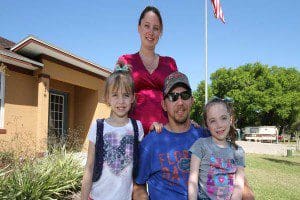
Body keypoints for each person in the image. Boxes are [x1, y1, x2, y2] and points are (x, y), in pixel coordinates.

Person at [134, 71, 210, 200]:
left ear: (192, 100)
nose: (180, 102)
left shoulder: (205, 137)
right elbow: (138, 186)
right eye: (173, 97)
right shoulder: (151, 142)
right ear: (164, 105)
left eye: (184, 95)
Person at [81, 68, 144, 200]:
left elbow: (142, 162)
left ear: (133, 97)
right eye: (115, 95)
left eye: (126, 95)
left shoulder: (137, 127)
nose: (121, 101)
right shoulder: (98, 127)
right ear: (107, 98)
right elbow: (89, 167)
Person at [116, 6, 177, 134]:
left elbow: (177, 98)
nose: (151, 31)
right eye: (146, 26)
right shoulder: (125, 60)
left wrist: (186, 122)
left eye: (156, 28)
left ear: (160, 32)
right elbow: (116, 96)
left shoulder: (170, 63)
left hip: (164, 134)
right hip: (132, 134)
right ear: (139, 28)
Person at [188, 98, 245, 200]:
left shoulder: (238, 151)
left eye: (223, 118)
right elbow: (193, 181)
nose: (219, 125)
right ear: (207, 125)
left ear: (230, 120)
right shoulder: (200, 145)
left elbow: (239, 186)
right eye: (212, 121)